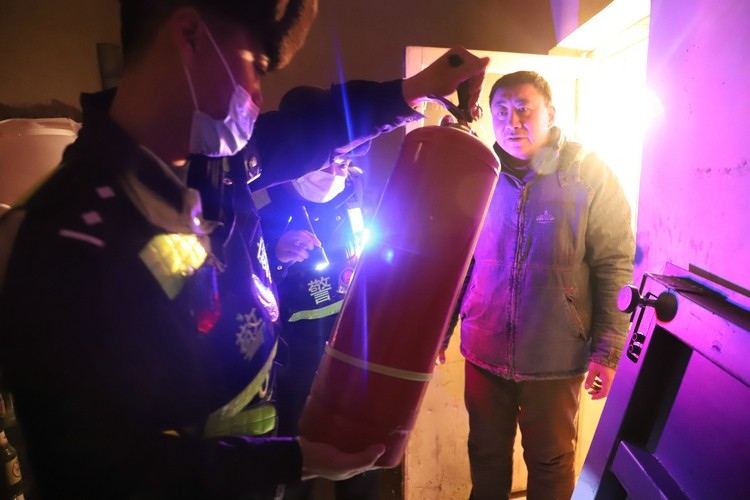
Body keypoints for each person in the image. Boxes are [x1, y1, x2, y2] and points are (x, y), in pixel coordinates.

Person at [0, 1, 490, 498]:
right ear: (189, 35)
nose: (257, 93)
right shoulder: (69, 237)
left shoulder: (209, 171)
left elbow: (302, 133)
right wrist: (289, 461)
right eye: (255, 65)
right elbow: (103, 471)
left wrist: (412, 90)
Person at [442, 71, 635, 499]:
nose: (512, 122)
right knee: (485, 454)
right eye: (501, 111)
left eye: (523, 109)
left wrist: (608, 351)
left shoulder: (588, 174)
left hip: (556, 354)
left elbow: (614, 264)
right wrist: (441, 330)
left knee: (550, 462)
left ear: (550, 113)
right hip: (484, 348)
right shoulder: (479, 172)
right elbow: (457, 260)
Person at [254, 136, 376, 499]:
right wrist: (277, 255)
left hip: (352, 341)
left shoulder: (353, 190)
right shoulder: (263, 198)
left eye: (345, 163)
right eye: (330, 162)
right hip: (293, 354)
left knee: (360, 445)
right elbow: (239, 277)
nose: (338, 172)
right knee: (296, 452)